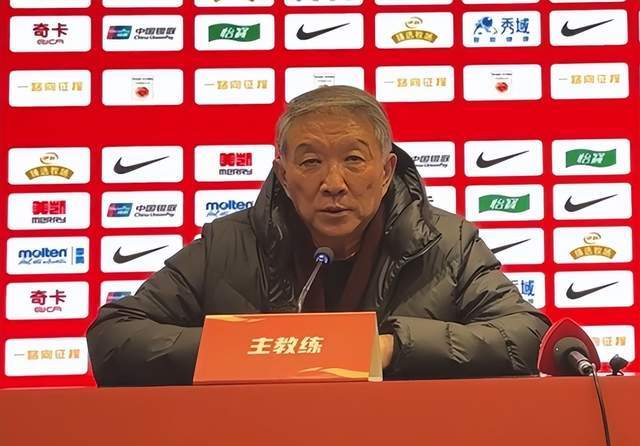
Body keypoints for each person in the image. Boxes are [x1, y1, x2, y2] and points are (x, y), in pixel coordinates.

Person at [87, 86, 550, 386]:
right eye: (310, 162)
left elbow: (528, 336)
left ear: (386, 171)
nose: (333, 183)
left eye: (354, 160)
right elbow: (114, 338)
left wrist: (392, 348)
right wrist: (252, 350)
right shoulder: (228, 245)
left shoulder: (446, 242)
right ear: (283, 175)